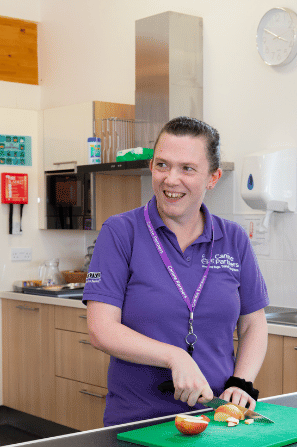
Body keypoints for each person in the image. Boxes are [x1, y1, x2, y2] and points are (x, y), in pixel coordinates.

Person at [82, 116, 269, 426]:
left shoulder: (234, 239)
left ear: (213, 177)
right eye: (162, 165)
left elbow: (253, 324)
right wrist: (175, 356)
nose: (171, 179)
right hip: (138, 423)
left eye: (188, 169)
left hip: (217, 419)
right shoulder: (119, 233)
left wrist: (242, 381)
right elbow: (101, 329)